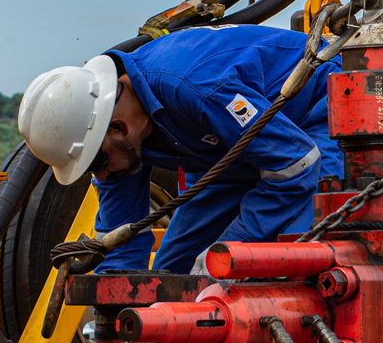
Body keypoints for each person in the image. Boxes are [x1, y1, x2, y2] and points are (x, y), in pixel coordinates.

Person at [17, 25, 342, 274]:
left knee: (289, 264)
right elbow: (121, 249)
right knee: (173, 279)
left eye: (96, 162)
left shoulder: (195, 87)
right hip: (247, 153)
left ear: (119, 127)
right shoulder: (115, 139)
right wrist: (117, 315)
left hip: (323, 115)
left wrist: (230, 249)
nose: (100, 176)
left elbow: (296, 164)